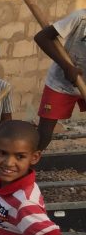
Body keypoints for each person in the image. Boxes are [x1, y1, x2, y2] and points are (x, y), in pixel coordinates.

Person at [33, 8, 86, 150]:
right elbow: (41, 37)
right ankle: (26, 167)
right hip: (61, 82)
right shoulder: (80, 17)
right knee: (44, 134)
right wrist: (66, 67)